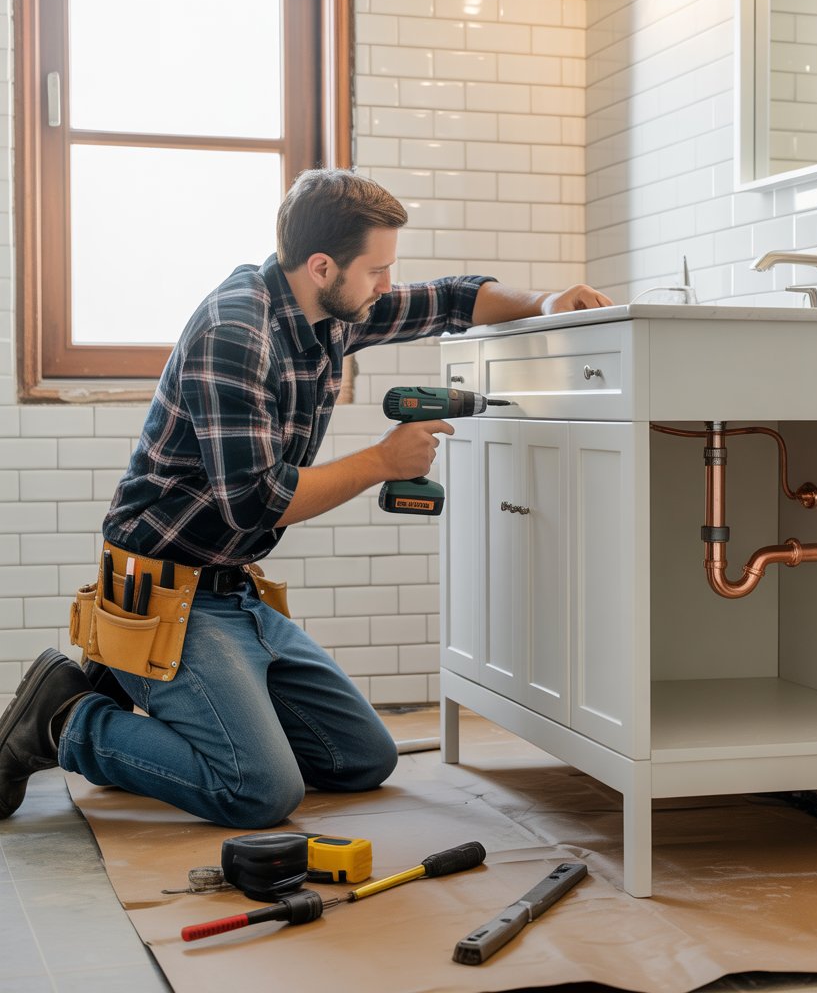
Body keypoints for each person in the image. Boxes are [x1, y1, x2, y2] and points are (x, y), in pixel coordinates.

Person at [0, 169, 612, 825]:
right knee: (258, 792)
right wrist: (382, 461)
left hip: (229, 587)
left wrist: (546, 303)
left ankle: (146, 703)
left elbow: (452, 299)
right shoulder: (236, 332)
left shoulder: (326, 311)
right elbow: (256, 502)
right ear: (323, 266)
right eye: (376, 271)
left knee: (361, 759)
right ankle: (65, 717)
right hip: (163, 594)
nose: (385, 286)